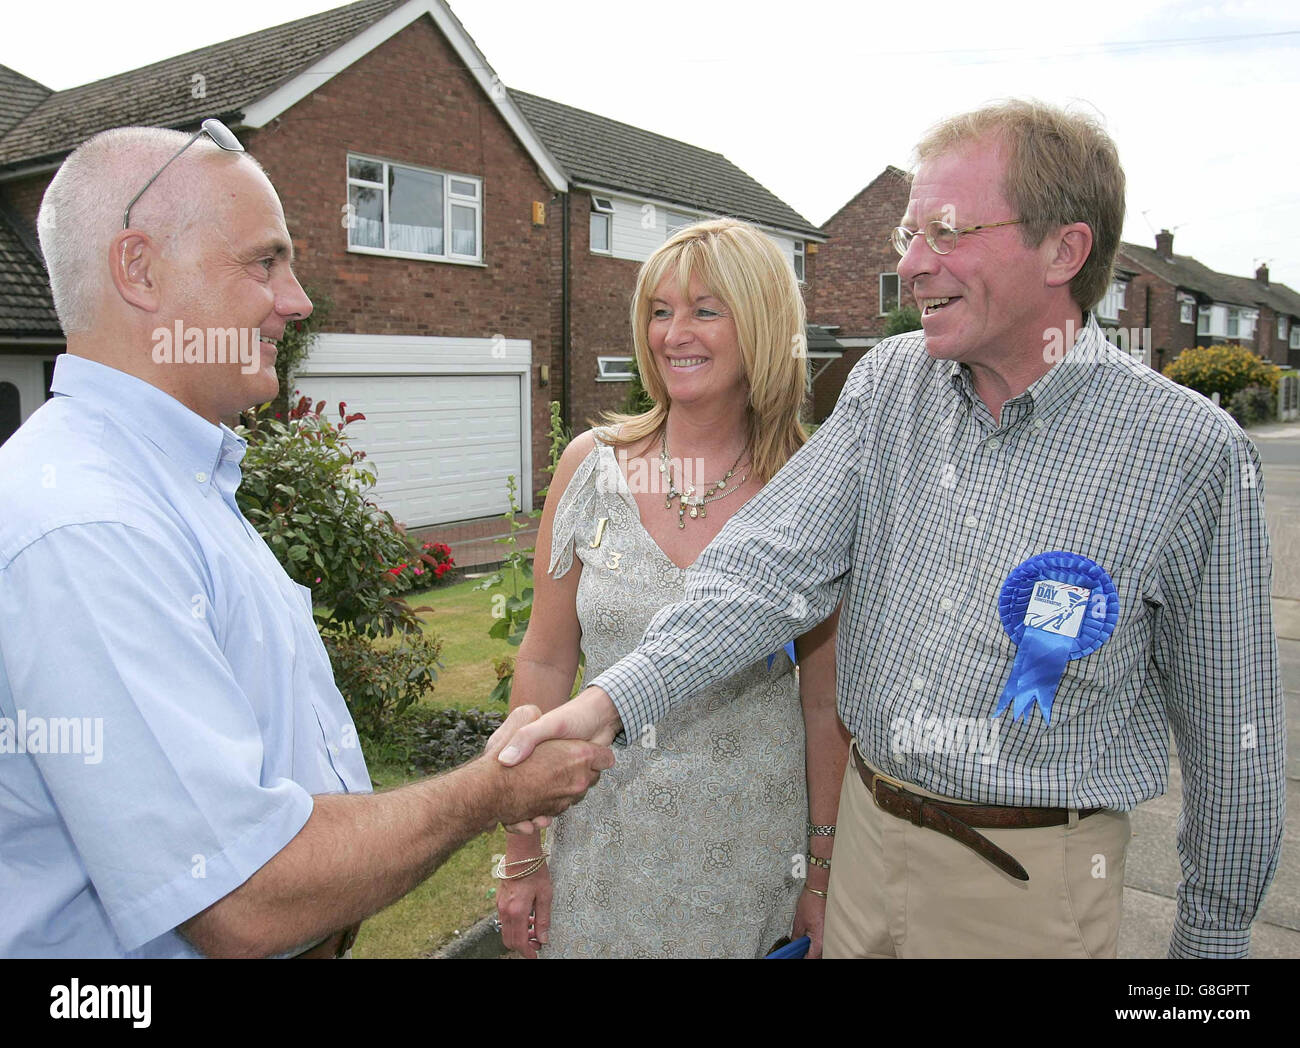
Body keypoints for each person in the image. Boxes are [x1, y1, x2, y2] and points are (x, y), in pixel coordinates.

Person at [495, 101, 1285, 959]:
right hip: (869, 841)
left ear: (1064, 249)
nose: (911, 265)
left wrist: (1210, 951)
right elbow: (763, 573)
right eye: (909, 236)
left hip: (1029, 884)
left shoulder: (1189, 453)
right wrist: (610, 702)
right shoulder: (889, 384)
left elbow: (1233, 739)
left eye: (944, 233)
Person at [0, 124, 611, 959]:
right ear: (138, 269)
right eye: (263, 262)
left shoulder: (172, 481)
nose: (297, 300)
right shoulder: (89, 526)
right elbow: (240, 896)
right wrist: (491, 791)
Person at [495, 219, 848, 958]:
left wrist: (820, 872)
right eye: (660, 311)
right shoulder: (590, 468)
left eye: (705, 310)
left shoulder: (810, 488)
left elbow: (824, 705)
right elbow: (546, 663)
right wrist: (523, 852)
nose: (673, 333)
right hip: (602, 849)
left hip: (749, 863)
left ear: (762, 324)